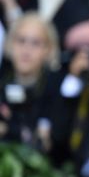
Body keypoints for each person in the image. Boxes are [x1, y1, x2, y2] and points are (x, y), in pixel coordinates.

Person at [0, 12, 59, 152]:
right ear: (9, 44)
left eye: (35, 43)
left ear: (48, 50)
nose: (26, 50)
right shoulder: (2, 81)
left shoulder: (57, 88)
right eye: (21, 41)